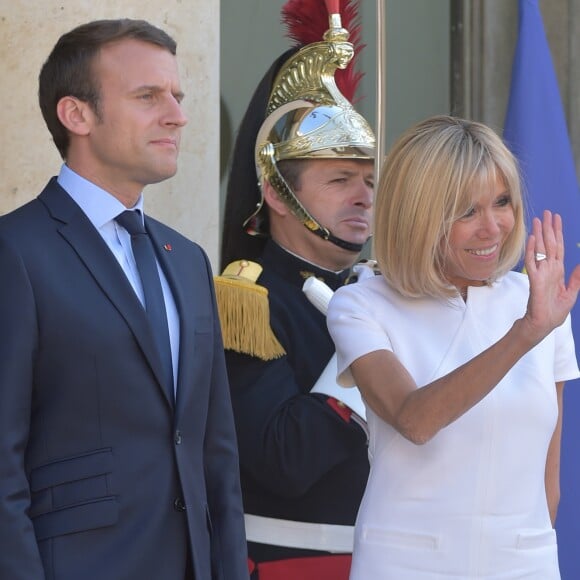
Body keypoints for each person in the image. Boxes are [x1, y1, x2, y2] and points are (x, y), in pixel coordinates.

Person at [0, 18, 248, 580]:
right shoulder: (14, 252)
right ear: (77, 115)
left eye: (177, 97)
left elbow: (216, 454)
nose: (178, 115)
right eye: (147, 96)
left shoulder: (186, 259)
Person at [327, 115, 580, 580]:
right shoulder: (361, 303)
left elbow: (549, 479)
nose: (493, 228)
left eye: (501, 202)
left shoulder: (536, 301)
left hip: (525, 565)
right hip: (407, 566)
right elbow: (416, 420)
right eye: (466, 211)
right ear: (418, 215)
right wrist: (525, 333)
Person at [216, 2, 375, 579]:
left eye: (369, 181)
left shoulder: (373, 288)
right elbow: (286, 460)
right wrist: (371, 345)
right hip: (298, 563)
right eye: (339, 180)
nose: (364, 197)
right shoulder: (246, 301)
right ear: (278, 194)